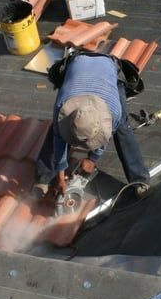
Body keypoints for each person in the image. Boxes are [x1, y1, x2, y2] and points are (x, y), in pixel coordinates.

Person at [35, 50, 150, 199]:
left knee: (122, 129)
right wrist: (60, 177)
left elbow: (105, 136)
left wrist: (92, 159)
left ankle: (139, 179)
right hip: (78, 64)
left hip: (108, 69)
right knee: (56, 130)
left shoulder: (113, 111)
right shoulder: (62, 108)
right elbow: (59, 141)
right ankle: (43, 178)